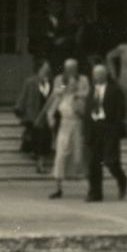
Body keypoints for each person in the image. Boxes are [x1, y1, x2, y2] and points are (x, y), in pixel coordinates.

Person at [85, 62, 127, 202]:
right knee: (94, 163)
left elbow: (121, 111)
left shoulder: (114, 90)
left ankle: (122, 179)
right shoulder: (92, 90)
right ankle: (95, 193)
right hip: (95, 129)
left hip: (109, 129)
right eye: (94, 75)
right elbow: (87, 109)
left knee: (111, 161)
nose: (95, 77)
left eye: (98, 75)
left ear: (105, 75)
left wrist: (116, 129)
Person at [50, 68, 90, 199]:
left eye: (75, 83)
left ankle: (90, 186)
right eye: (70, 83)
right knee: (60, 156)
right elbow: (51, 110)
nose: (73, 86)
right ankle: (58, 188)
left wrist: (78, 103)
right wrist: (51, 120)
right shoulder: (61, 95)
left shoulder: (79, 98)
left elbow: (84, 113)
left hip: (77, 126)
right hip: (64, 127)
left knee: (79, 156)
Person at [14, 58, 54, 172]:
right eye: (45, 68)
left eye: (48, 69)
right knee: (38, 136)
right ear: (39, 69)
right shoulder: (30, 82)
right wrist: (19, 110)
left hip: (46, 115)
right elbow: (23, 97)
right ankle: (39, 163)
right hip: (34, 115)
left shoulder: (50, 82)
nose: (47, 71)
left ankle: (39, 161)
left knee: (44, 137)